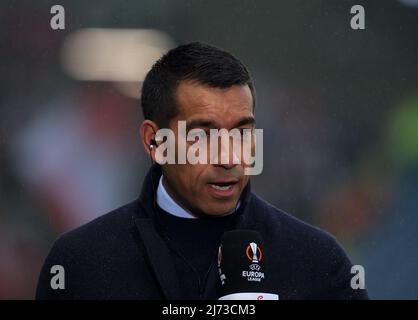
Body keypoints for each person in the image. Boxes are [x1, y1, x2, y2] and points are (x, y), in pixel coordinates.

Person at [36, 42, 368, 299]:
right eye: (202, 136)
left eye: (241, 132)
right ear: (156, 142)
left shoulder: (319, 264)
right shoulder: (81, 263)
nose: (228, 157)